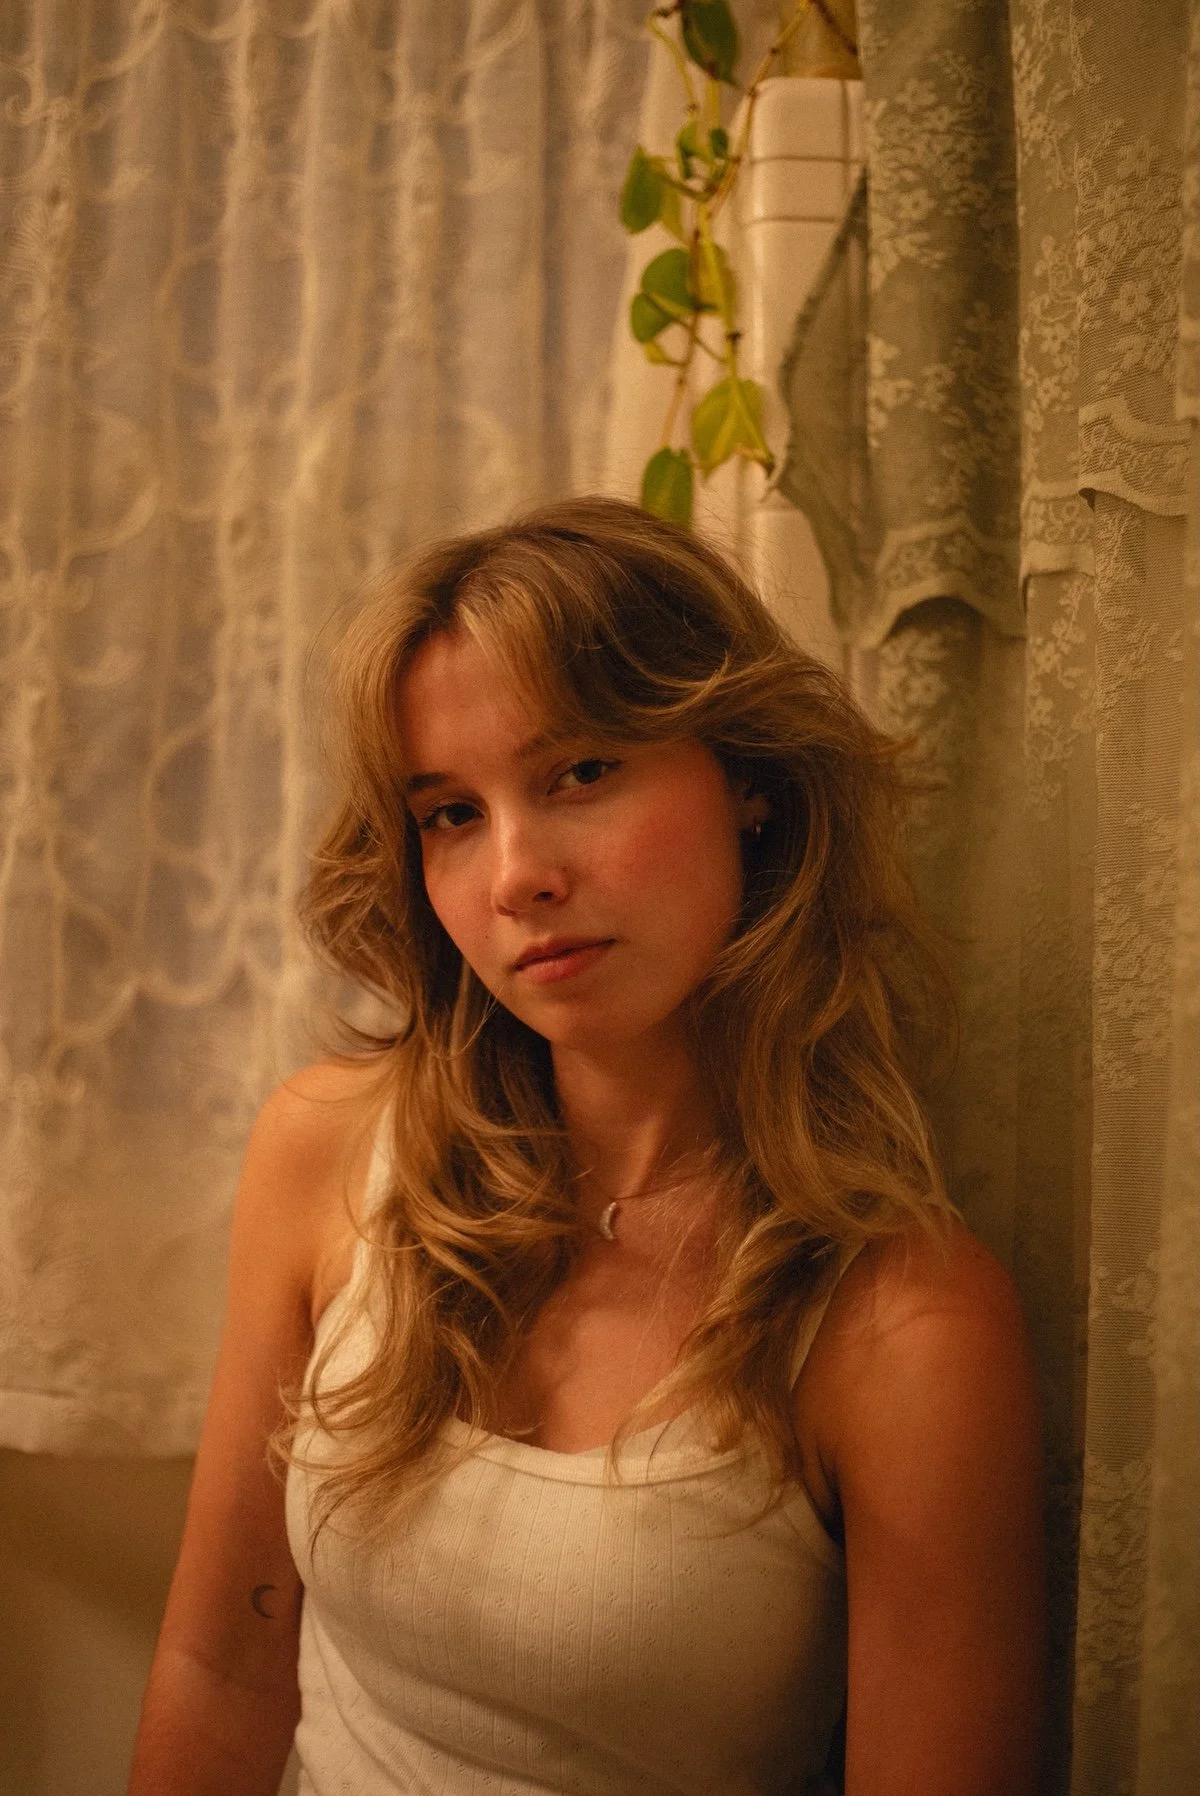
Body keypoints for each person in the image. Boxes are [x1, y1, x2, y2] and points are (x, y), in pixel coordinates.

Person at [128, 496, 1046, 1796]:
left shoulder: (905, 1322)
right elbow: (220, 1666)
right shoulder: (328, 1149)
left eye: (580, 773)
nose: (515, 875)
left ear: (755, 788)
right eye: (450, 813)